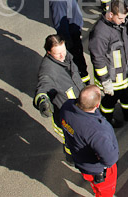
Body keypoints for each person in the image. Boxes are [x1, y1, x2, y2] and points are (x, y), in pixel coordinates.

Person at [88, 0, 128, 127]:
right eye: (120, 18)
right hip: (112, 76)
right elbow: (98, 58)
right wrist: (105, 81)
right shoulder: (100, 33)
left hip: (123, 71)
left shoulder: (118, 24)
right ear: (110, 15)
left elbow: (122, 43)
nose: (123, 21)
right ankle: (106, 120)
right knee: (110, 101)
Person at [34, 34, 85, 164]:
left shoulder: (65, 57)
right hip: (67, 115)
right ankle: (72, 160)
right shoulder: (48, 70)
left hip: (77, 109)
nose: (62, 56)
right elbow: (42, 87)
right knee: (71, 142)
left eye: (63, 51)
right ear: (48, 52)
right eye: (58, 54)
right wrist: (42, 101)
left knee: (78, 139)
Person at [60, 85, 119, 197]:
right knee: (105, 191)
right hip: (98, 170)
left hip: (81, 160)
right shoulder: (97, 131)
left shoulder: (66, 107)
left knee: (93, 183)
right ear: (97, 105)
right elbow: (110, 159)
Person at [48, 0, 89, 83]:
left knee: (79, 60)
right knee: (77, 61)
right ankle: (83, 83)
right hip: (71, 36)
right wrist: (68, 42)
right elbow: (60, 24)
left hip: (74, 31)